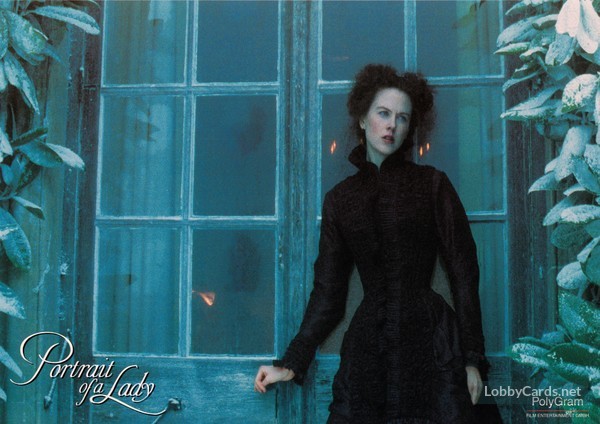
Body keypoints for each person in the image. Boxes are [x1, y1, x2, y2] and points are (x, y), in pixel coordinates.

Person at [254, 64, 501, 423]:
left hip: (431, 345)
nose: (391, 126)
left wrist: (472, 359)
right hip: (369, 347)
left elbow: (464, 274)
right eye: (383, 113)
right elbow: (328, 293)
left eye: (402, 118)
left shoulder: (432, 185)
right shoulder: (341, 199)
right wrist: (292, 362)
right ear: (362, 118)